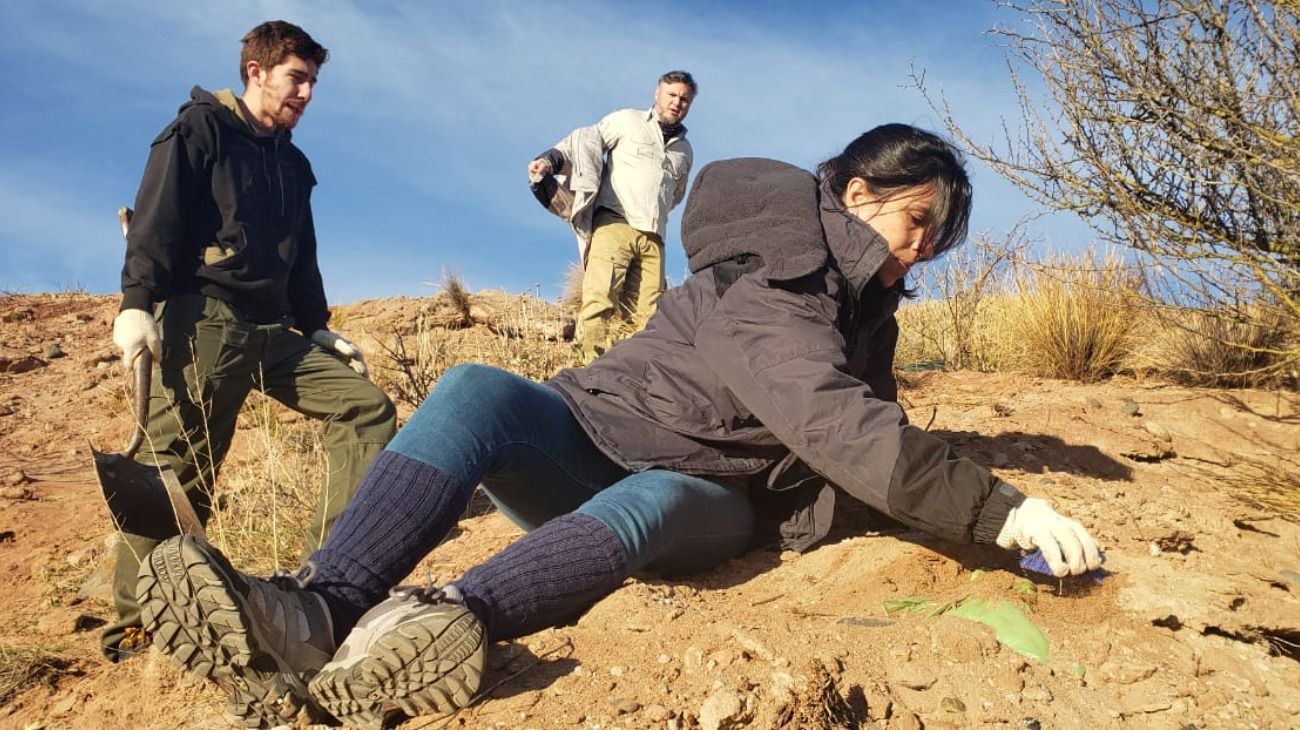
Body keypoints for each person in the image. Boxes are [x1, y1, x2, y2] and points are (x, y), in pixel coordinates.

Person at [137, 124, 1102, 728]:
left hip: (710, 497)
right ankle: (321, 607)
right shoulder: (784, 268)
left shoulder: (862, 306)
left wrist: (963, 513)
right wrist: (1005, 508)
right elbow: (826, 411)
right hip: (596, 427)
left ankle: (441, 625)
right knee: (474, 386)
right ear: (860, 197)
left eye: (939, 238)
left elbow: (855, 433)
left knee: (651, 498)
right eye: (919, 226)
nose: (923, 252)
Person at [102, 20, 397, 666]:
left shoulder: (292, 164)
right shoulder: (199, 131)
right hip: (203, 321)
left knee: (367, 407)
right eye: (298, 77)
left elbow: (303, 258)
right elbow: (154, 222)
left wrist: (317, 323)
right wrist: (135, 305)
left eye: (314, 81)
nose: (308, 93)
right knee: (180, 470)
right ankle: (137, 626)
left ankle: (330, 579)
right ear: (256, 72)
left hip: (274, 333)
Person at [528, 70, 697, 364]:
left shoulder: (685, 151)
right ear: (657, 95)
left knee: (648, 316)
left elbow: (675, 195)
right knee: (599, 299)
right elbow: (585, 141)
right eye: (671, 95)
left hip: (654, 238)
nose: (677, 102)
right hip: (614, 224)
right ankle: (585, 369)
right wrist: (548, 161)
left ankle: (634, 377)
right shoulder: (627, 121)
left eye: (684, 99)